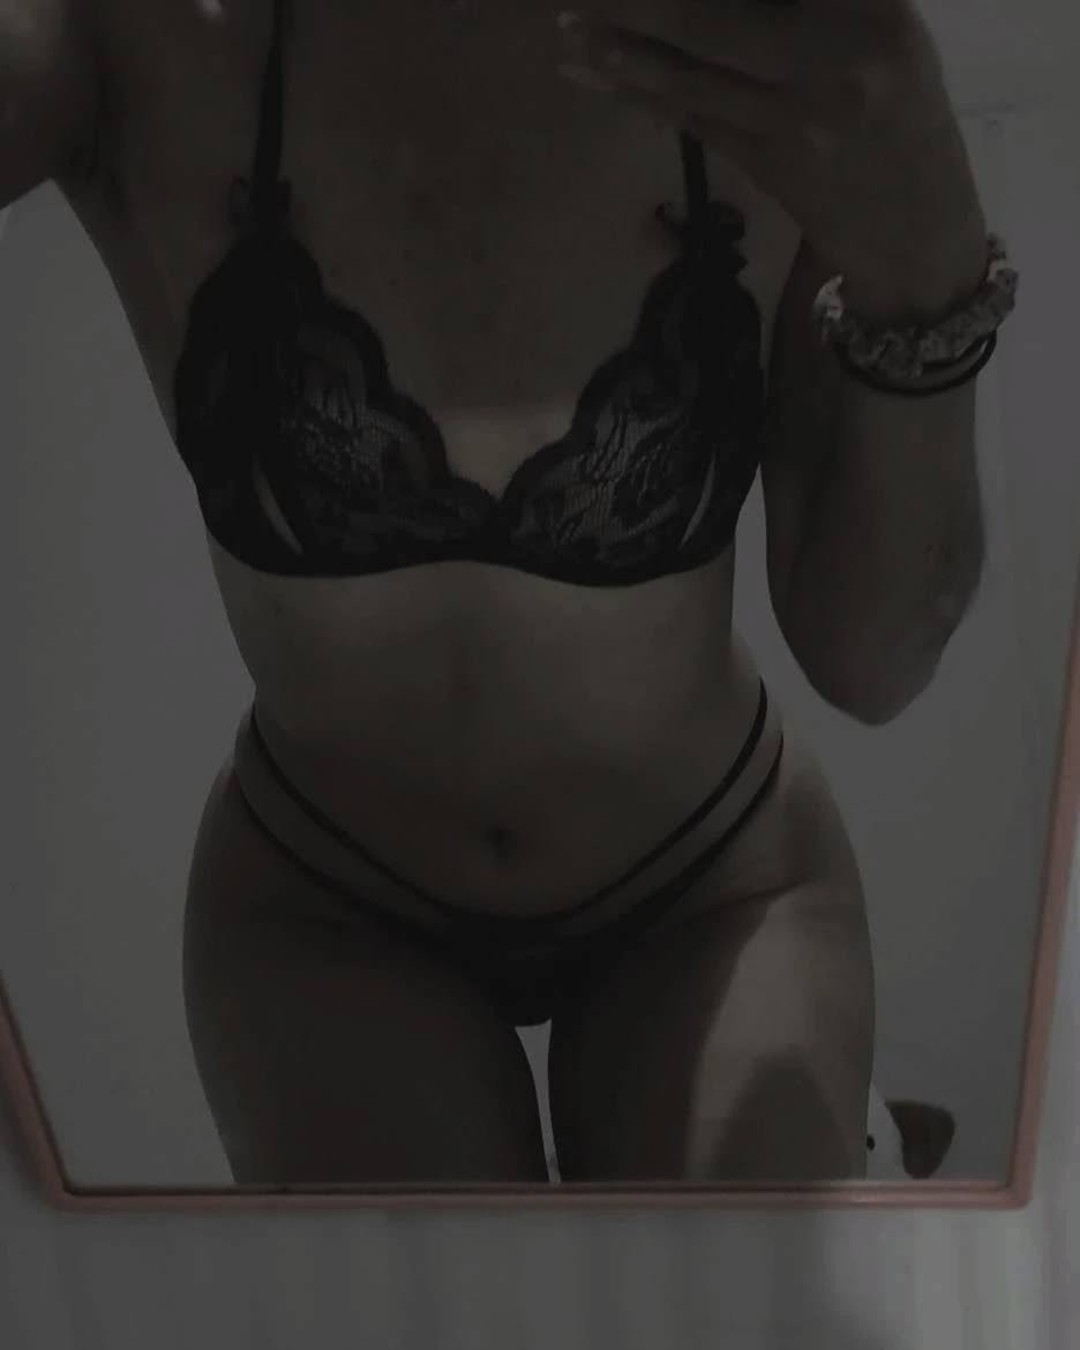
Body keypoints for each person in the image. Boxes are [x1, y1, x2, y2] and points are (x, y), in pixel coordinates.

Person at [2, 0, 1016, 1186]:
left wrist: (930, 264)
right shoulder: (125, 30)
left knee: (722, 1286)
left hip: (712, 877)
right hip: (324, 893)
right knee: (442, 1288)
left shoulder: (772, 35)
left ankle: (866, 1140)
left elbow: (875, 660)